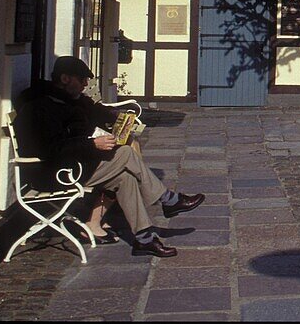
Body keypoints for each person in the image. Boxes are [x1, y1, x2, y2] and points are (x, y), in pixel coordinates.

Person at [14, 56, 204, 257]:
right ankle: (168, 199)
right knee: (125, 153)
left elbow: (91, 112)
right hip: (52, 174)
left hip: (72, 166)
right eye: (82, 80)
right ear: (65, 78)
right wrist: (92, 144)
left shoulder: (67, 100)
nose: (86, 85)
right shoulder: (42, 107)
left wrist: (114, 118)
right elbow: (50, 149)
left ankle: (144, 240)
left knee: (125, 178)